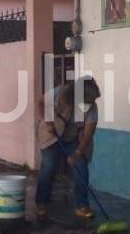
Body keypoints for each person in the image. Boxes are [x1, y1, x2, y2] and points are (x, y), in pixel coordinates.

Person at [36, 76, 100, 221]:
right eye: (87, 100)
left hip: (74, 139)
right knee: (49, 165)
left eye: (92, 102)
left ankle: (82, 206)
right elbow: (41, 102)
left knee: (81, 166)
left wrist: (77, 153)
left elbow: (89, 132)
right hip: (52, 134)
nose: (90, 104)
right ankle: (42, 203)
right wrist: (48, 121)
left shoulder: (91, 107)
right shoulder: (61, 92)